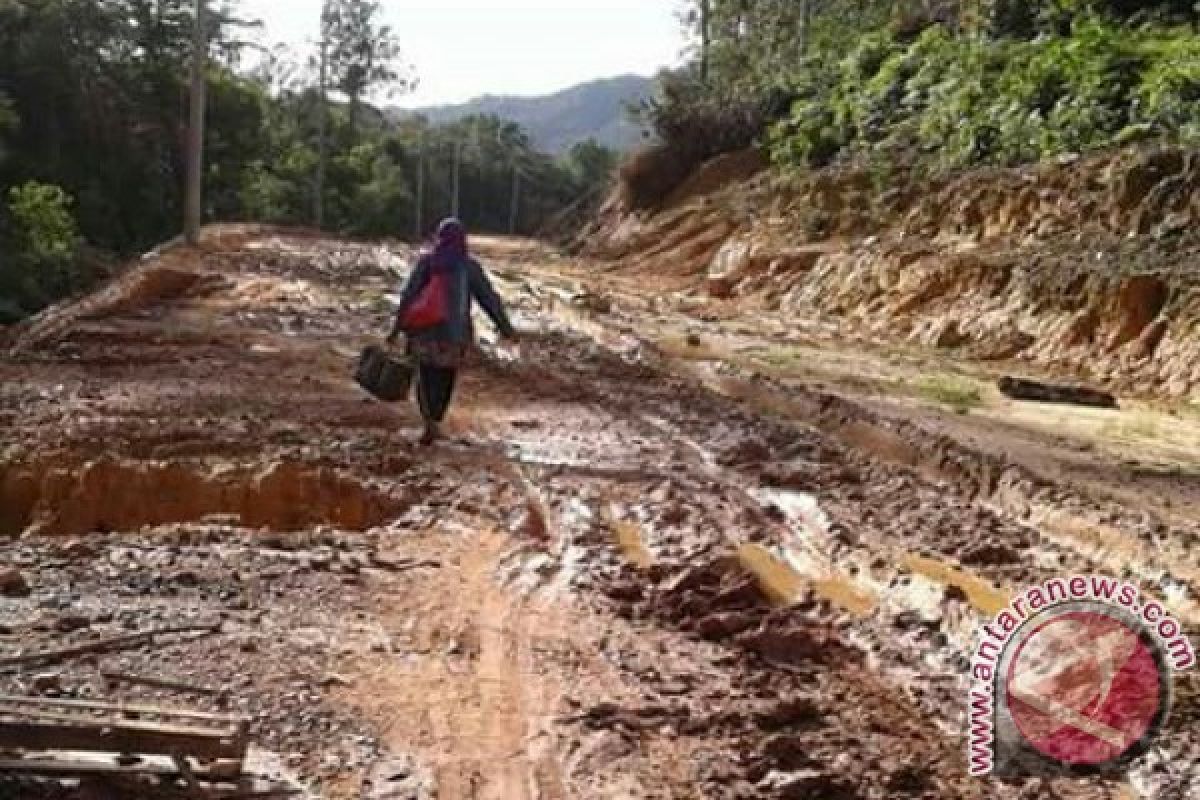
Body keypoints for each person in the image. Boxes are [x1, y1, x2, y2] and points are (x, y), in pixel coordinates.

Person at [387, 218, 517, 446]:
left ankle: (429, 423)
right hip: (453, 335)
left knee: (425, 376)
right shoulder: (468, 267)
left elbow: (408, 296)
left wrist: (396, 329)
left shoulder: (427, 263)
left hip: (423, 332)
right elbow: (489, 299)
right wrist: (505, 328)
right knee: (445, 377)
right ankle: (436, 419)